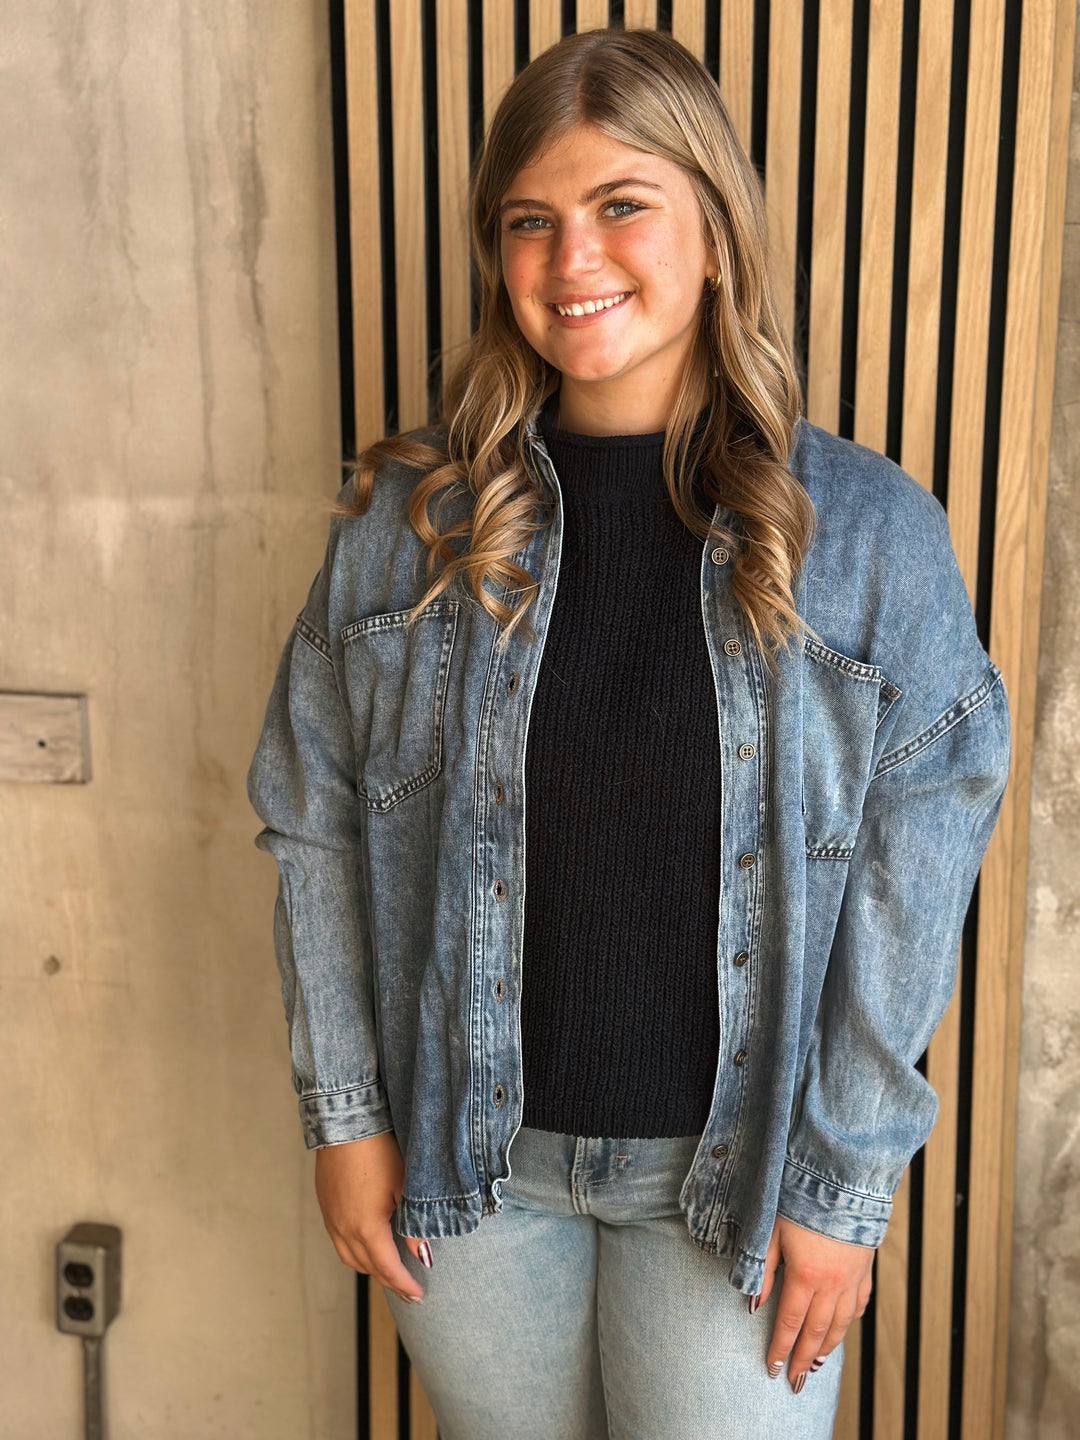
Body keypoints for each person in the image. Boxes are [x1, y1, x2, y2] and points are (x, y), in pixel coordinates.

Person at [246, 26, 1011, 1440]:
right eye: (528, 220)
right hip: (468, 1170)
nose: (569, 257)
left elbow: (921, 869)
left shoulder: (864, 539)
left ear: (714, 232)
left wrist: (842, 1191)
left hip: (734, 1184)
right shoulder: (407, 526)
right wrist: (347, 1116)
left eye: (620, 206)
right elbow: (312, 810)